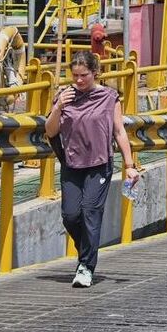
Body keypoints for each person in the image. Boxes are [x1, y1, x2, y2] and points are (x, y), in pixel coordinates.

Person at [44, 51, 140, 289]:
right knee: (70, 216)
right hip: (72, 163)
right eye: (74, 75)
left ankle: (86, 266)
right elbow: (50, 131)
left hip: (99, 164)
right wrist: (58, 108)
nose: (78, 80)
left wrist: (129, 166)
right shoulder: (63, 96)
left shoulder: (109, 97)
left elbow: (119, 132)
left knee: (90, 211)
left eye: (83, 75)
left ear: (95, 73)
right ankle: (87, 248)